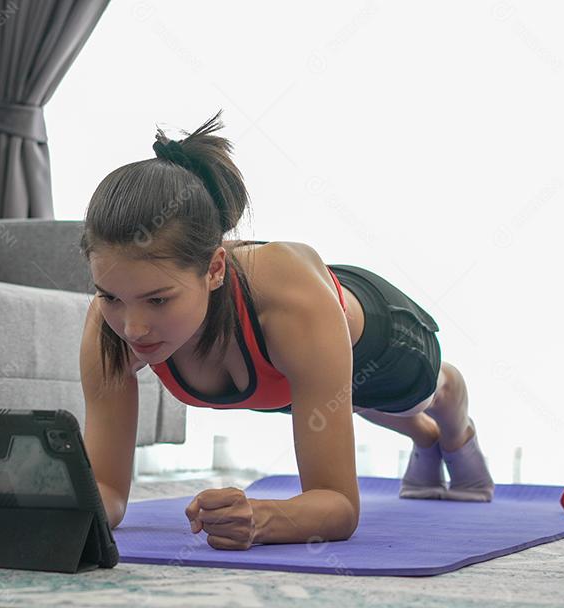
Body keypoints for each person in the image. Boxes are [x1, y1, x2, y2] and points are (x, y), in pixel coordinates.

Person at [77, 110, 494, 549]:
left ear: (215, 269)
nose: (133, 327)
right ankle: (425, 441)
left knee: (415, 398)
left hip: (385, 340)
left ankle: (453, 426)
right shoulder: (108, 328)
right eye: (110, 297)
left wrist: (263, 517)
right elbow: (105, 490)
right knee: (335, 403)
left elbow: (339, 505)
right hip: (287, 368)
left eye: (158, 300)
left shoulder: (290, 308)